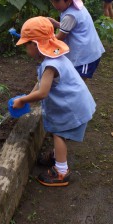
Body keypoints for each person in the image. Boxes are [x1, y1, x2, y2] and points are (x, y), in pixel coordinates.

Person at [13, 16, 96, 186]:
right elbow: (40, 84)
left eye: (26, 45)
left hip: (72, 107)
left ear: (35, 45)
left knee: (59, 133)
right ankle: (58, 155)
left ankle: (61, 171)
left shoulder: (50, 66)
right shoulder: (55, 57)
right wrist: (28, 97)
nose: (26, 50)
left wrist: (22, 100)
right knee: (60, 133)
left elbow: (43, 92)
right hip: (78, 103)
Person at [44, 0, 105, 80]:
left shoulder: (70, 15)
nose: (54, 4)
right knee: (74, 81)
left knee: (78, 83)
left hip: (86, 56)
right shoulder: (76, 5)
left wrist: (43, 40)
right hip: (88, 50)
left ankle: (80, 96)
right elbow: (73, 26)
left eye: (57, 1)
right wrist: (56, 23)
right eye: (52, 1)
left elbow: (60, 37)